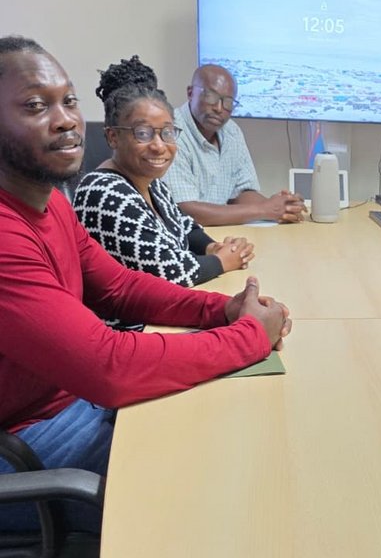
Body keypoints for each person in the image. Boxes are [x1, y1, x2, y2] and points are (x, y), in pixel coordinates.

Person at [0, 36, 291, 532]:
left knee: (234, 429)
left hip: (74, 402)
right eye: (35, 105)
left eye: (69, 100)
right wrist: (250, 336)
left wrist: (220, 312)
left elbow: (120, 287)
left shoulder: (51, 206)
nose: (66, 119)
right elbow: (108, 366)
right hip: (24, 449)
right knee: (227, 485)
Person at [73, 55, 254, 291]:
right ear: (113, 137)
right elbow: (167, 272)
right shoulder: (103, 192)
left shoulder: (151, 183)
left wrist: (212, 247)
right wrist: (222, 261)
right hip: (130, 313)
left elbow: (185, 226)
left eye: (167, 133)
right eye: (143, 133)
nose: (159, 146)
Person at [161, 63, 306, 226]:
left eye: (228, 102)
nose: (219, 108)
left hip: (223, 234)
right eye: (211, 97)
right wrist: (265, 209)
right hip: (183, 237)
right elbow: (185, 211)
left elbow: (240, 193)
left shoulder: (231, 131)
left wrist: (282, 207)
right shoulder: (170, 132)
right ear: (190, 93)